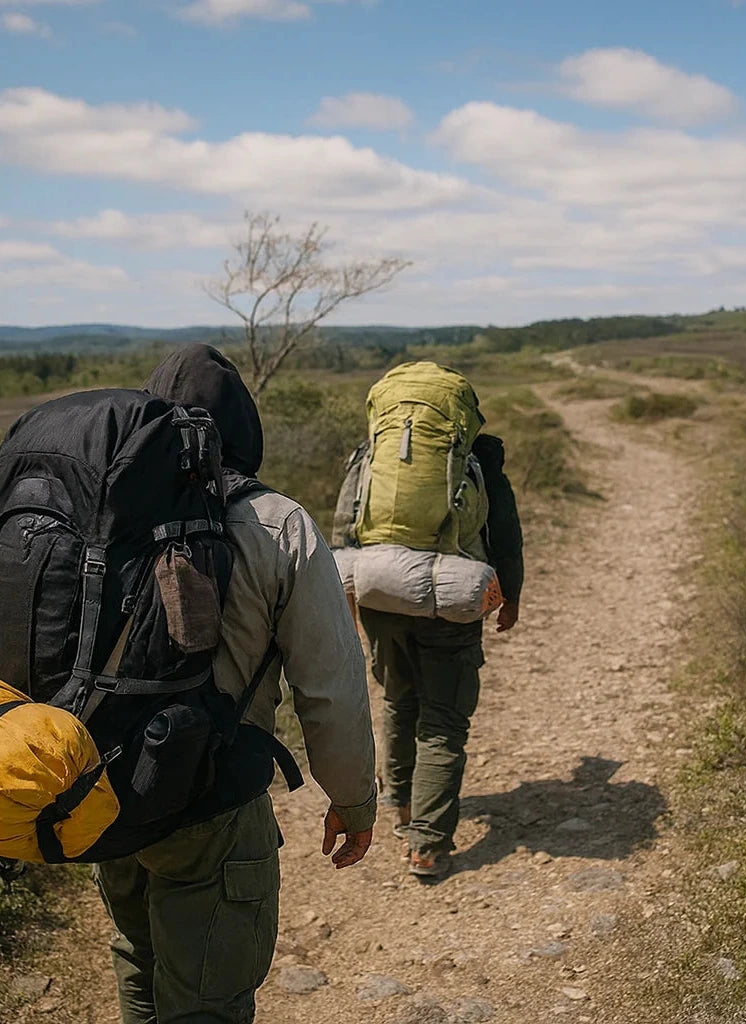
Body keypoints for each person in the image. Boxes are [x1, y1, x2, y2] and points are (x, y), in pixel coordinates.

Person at [93, 345, 377, 1024]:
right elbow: (329, 688)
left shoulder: (102, 509)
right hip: (213, 799)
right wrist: (353, 801)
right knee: (208, 1002)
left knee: (138, 960)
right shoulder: (279, 525)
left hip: (105, 787)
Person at [339, 374, 524, 881]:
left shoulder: (370, 456)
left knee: (399, 701)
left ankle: (399, 805)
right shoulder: (477, 459)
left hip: (380, 595)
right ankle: (427, 843)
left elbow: (343, 531)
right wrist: (511, 598)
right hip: (452, 600)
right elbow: (505, 538)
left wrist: (349, 600)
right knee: (443, 721)